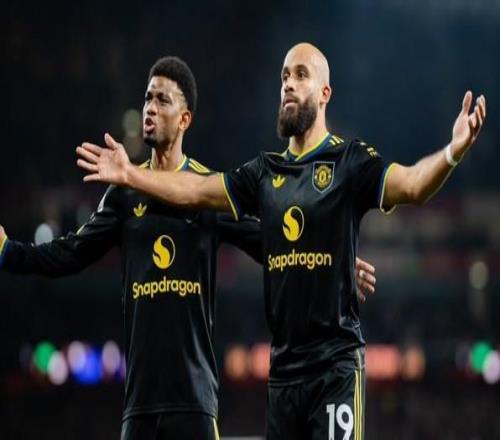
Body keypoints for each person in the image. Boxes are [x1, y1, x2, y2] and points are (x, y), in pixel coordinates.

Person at [76, 42, 486, 439]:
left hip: (335, 368)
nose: (288, 83)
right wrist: (131, 175)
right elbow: (194, 190)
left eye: (300, 75)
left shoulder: (350, 161)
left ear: (324, 93)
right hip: (283, 376)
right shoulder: (263, 172)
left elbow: (412, 184)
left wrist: (451, 152)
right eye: (284, 76)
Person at [1, 55, 376, 440]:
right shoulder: (124, 195)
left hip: (194, 403)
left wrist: (336, 260)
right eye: (147, 98)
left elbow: (274, 243)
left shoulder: (207, 194)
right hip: (139, 404)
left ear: (185, 119)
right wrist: (8, 251)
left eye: (162, 100)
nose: (150, 108)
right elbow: (70, 252)